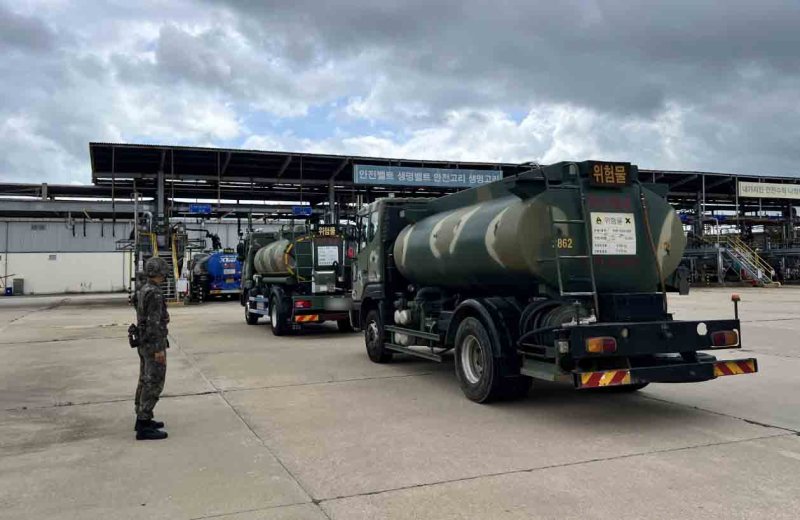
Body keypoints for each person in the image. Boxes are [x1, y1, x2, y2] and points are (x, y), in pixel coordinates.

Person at [134, 256, 170, 440]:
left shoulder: (143, 289)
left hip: (143, 342)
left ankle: (142, 418)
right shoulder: (154, 293)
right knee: (154, 382)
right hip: (152, 343)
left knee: (144, 379)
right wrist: (159, 350)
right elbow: (154, 323)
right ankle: (143, 423)